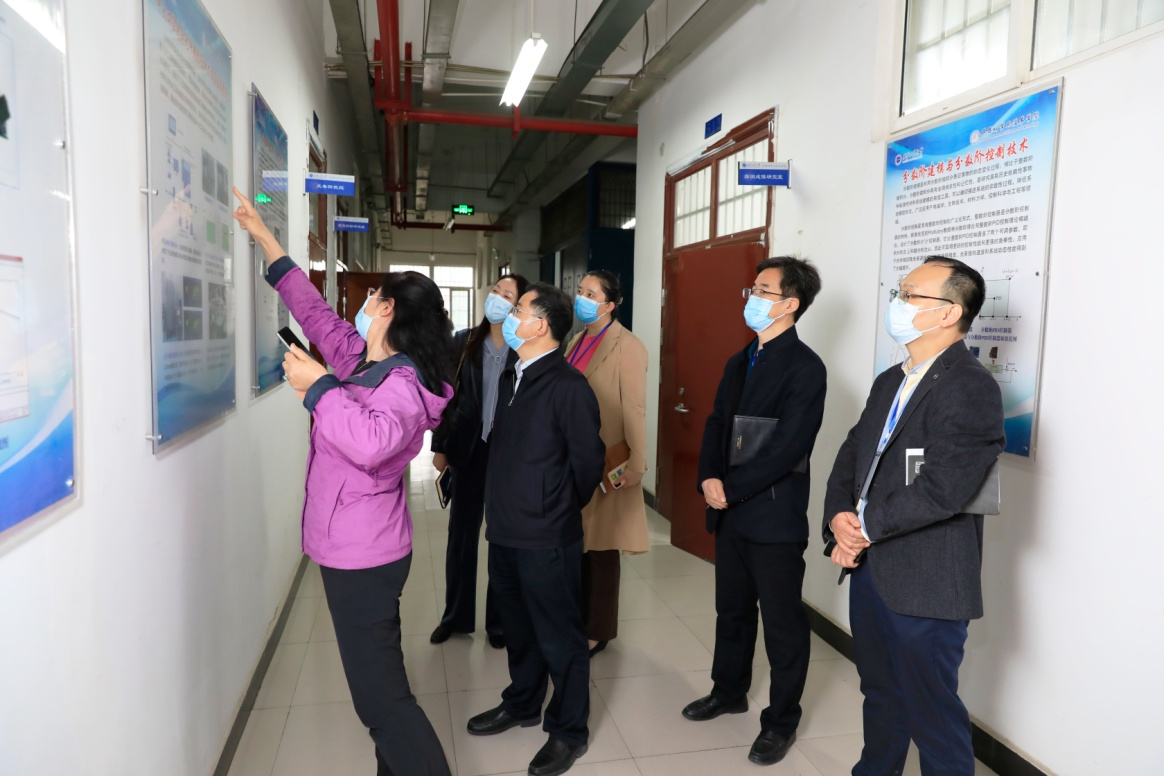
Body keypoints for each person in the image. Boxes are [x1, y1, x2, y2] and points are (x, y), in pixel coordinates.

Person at [232, 189, 453, 776]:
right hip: (352, 546)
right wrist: (263, 235)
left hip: (365, 556)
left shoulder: (402, 384)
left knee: (382, 704)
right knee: (382, 693)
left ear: (387, 309)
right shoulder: (360, 358)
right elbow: (313, 311)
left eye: (372, 295)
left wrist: (320, 387)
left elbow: (373, 442)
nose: (362, 302)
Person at [823, 255, 1004, 775]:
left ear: (949, 312)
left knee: (931, 711)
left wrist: (863, 530)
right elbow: (854, 452)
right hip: (872, 568)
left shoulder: (970, 385)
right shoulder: (891, 379)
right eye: (898, 293)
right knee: (880, 692)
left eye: (909, 295)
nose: (897, 304)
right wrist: (838, 516)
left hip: (928, 577)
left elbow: (944, 488)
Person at [682, 256, 827, 767]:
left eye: (764, 291)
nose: (752, 297)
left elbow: (789, 448)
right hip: (730, 511)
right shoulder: (741, 358)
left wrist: (730, 488)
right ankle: (728, 691)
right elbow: (717, 422)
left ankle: (781, 721)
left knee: (782, 624)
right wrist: (708, 477)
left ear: (790, 304)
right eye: (754, 288)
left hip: (772, 517)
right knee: (732, 611)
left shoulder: (805, 367)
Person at [466, 283, 605, 776]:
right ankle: (523, 702)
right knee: (518, 628)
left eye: (519, 309)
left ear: (540, 325)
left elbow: (588, 465)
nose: (509, 313)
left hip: (547, 535)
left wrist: (553, 507)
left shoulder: (568, 386)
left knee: (559, 636)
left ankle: (568, 730)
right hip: (504, 529)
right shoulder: (512, 375)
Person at [429, 273, 529, 649]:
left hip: (507, 458)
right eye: (495, 291)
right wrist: (440, 446)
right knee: (461, 538)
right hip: (468, 451)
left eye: (508, 295)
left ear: (518, 306)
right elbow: (446, 398)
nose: (497, 298)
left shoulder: (524, 348)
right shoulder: (464, 341)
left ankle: (499, 624)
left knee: (502, 541)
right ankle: (455, 617)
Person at [563, 270, 649, 656]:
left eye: (591, 294)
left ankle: (597, 630)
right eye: (580, 291)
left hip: (607, 458)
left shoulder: (627, 346)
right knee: (580, 543)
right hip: (575, 459)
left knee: (602, 546)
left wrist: (638, 464)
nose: (581, 298)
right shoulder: (576, 341)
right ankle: (578, 619)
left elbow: (634, 409)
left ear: (610, 305)